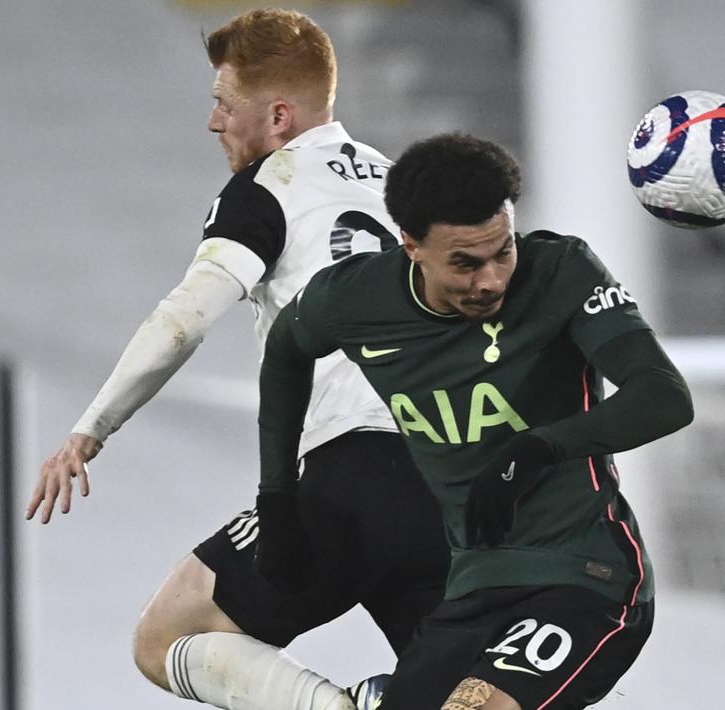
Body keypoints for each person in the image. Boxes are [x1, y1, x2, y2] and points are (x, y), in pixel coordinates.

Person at [24, 9, 448, 710]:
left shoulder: (268, 187)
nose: (213, 122)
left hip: (349, 476)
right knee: (463, 694)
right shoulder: (410, 186)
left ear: (278, 116)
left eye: (224, 104)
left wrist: (89, 429)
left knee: (163, 639)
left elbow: (183, 320)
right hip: (451, 481)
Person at [256, 133, 694, 710]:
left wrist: (538, 448)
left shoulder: (563, 271)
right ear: (411, 245)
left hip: (587, 577)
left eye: (502, 252)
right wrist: (276, 497)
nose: (491, 280)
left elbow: (664, 395)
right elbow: (285, 354)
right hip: (473, 587)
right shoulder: (354, 299)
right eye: (465, 263)